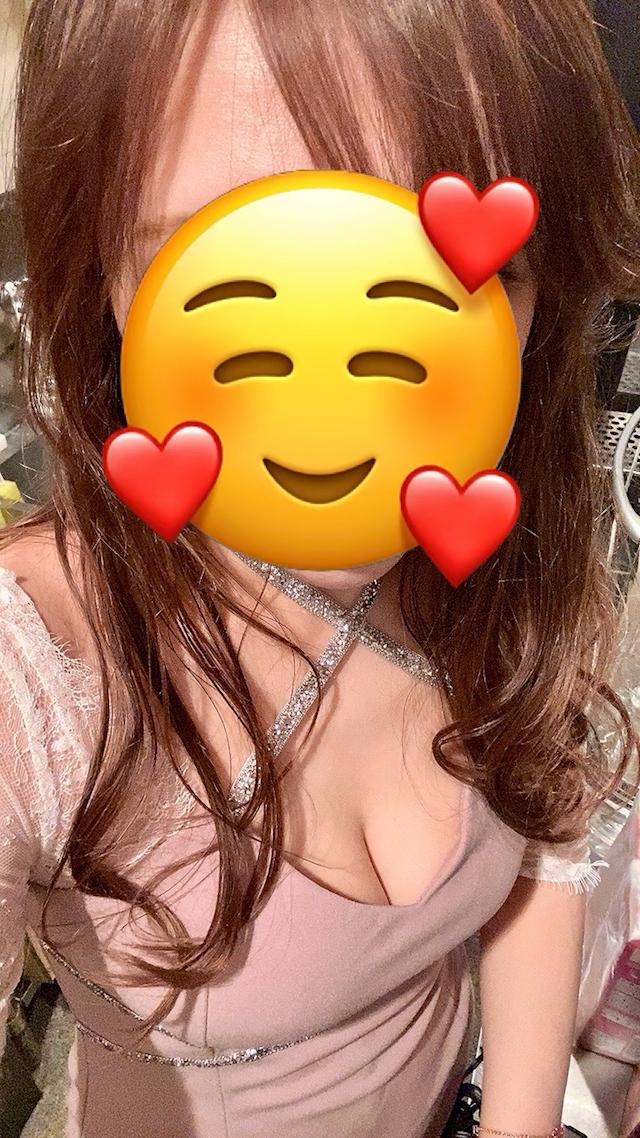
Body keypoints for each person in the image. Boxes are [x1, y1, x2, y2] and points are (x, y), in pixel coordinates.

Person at [0, 1, 639, 1136]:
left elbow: (539, 829)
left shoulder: (499, 536)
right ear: (102, 271)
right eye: (231, 270)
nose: (341, 396)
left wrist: (520, 1119)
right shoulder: (44, 661)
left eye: (440, 281)